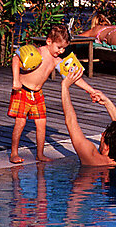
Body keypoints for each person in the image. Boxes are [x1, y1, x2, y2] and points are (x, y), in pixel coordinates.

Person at [9, 24, 98, 165]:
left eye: (64, 48)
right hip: (23, 90)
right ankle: (14, 153)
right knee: (21, 123)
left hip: (37, 93)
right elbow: (16, 58)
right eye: (59, 47)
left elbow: (73, 78)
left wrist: (91, 91)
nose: (61, 51)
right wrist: (15, 80)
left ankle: (39, 154)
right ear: (49, 42)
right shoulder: (38, 53)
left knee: (42, 124)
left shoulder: (57, 60)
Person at [61, 66, 116, 166]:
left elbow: (71, 122)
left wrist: (65, 87)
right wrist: (107, 102)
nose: (101, 134)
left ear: (107, 147)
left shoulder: (93, 160)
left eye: (103, 136)